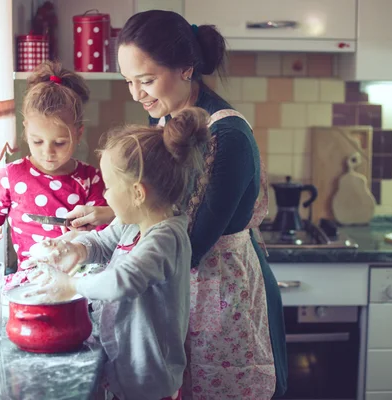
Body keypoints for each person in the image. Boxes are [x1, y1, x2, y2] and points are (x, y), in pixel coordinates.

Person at [64, 10, 288, 399]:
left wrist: (88, 273)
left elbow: (192, 239)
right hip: (184, 289)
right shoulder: (167, 117)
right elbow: (164, 203)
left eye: (146, 80)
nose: (136, 94)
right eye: (129, 81)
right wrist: (115, 216)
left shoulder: (226, 136)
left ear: (186, 68)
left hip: (220, 292)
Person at [24, 108, 210, 400]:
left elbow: (123, 280)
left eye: (109, 187)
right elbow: (100, 242)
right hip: (124, 369)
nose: (106, 196)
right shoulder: (133, 223)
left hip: (150, 381)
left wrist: (70, 285)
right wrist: (74, 249)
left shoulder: (166, 238)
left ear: (137, 193)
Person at [0, 61, 107, 271]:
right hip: (29, 278)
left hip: (78, 279)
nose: (47, 152)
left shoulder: (91, 178)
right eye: (37, 141)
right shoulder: (9, 176)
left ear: (78, 134)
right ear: (26, 131)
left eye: (59, 143)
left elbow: (102, 236)